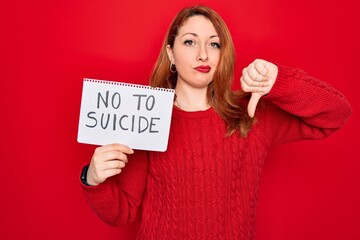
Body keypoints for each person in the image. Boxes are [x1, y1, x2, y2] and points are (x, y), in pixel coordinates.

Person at [80, 5, 352, 240]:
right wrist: (92, 178)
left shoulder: (251, 113)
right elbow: (121, 212)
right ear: (171, 53)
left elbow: (335, 114)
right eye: (189, 42)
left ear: (223, 54)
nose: (203, 54)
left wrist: (278, 81)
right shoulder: (149, 119)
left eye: (214, 43)